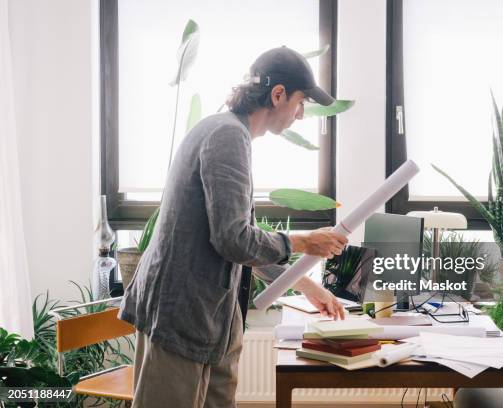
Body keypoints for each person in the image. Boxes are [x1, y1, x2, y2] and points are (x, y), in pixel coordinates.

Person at [119, 46, 348, 408]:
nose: (301, 115)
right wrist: (302, 241)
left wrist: (306, 287)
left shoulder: (229, 132)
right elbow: (233, 240)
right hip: (182, 315)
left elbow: (245, 242)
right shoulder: (228, 137)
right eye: (301, 102)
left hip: (214, 322)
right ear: (278, 95)